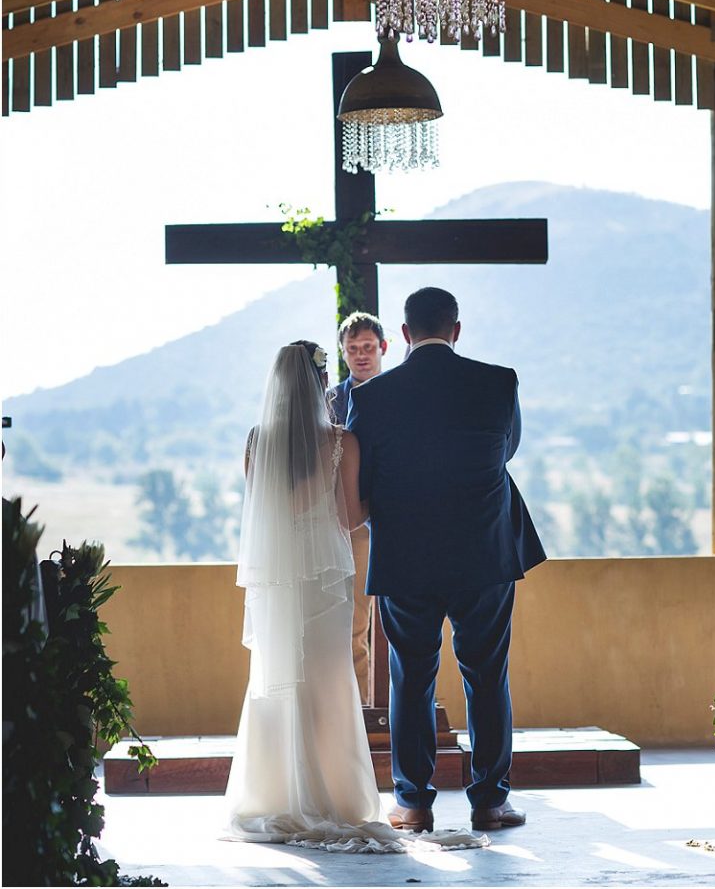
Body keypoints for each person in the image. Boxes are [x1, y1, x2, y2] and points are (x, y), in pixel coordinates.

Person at [222, 339, 485, 853]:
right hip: (325, 580)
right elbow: (350, 518)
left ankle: (273, 793)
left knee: (277, 676)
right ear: (322, 382)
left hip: (279, 580)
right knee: (328, 678)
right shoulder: (341, 441)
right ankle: (335, 795)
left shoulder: (256, 441)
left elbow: (260, 510)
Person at [347, 288, 547, 834]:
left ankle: (413, 804)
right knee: (487, 673)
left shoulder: (374, 397)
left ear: (403, 335)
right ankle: (490, 801)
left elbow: (364, 477)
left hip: (405, 553)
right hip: (483, 549)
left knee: (411, 677)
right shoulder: (498, 382)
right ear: (456, 330)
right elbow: (505, 449)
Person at [327, 311, 388, 703]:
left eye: (368, 347)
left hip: (399, 520)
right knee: (354, 627)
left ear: (383, 348)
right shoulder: (331, 401)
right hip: (352, 529)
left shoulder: (399, 392)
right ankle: (362, 711)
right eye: (353, 349)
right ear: (343, 353)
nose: (361, 355)